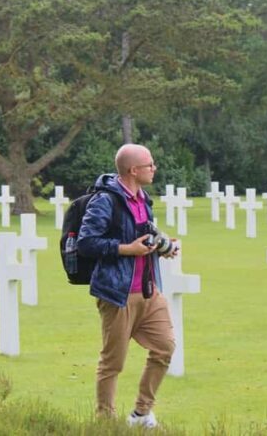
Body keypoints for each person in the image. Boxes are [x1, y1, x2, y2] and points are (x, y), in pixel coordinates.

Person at [77, 143, 177, 429]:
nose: (154, 168)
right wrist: (126, 249)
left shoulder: (144, 199)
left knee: (165, 348)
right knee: (113, 362)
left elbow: (143, 235)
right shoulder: (105, 201)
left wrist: (161, 247)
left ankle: (141, 414)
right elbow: (86, 243)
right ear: (134, 170)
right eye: (150, 164)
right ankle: (105, 422)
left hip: (148, 291)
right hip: (117, 293)